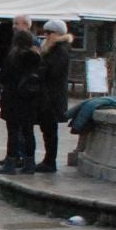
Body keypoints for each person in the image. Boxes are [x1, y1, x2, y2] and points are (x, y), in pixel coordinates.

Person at [0, 16, 42, 173]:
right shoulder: (36, 57)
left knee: (13, 132)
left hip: (14, 98)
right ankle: (30, 163)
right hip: (31, 99)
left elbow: (3, 77)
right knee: (29, 132)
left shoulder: (13, 56)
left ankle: (11, 162)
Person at [32, 19, 72, 172]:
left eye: (49, 33)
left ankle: (50, 161)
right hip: (47, 96)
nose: (46, 36)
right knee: (46, 129)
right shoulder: (52, 49)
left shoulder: (60, 50)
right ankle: (48, 160)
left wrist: (40, 68)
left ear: (58, 34)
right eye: (45, 32)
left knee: (50, 130)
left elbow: (54, 72)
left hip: (52, 98)